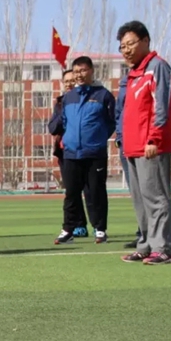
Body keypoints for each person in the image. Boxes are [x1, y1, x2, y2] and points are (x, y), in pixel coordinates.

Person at [117, 21, 171, 265]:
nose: (126, 50)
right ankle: (145, 245)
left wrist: (154, 138)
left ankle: (163, 249)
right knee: (140, 200)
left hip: (150, 147)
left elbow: (162, 106)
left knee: (156, 198)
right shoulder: (133, 75)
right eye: (122, 46)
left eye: (130, 44)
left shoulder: (157, 68)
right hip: (132, 147)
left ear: (145, 41)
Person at [48, 56, 115, 245]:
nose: (79, 75)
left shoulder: (103, 95)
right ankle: (68, 229)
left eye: (83, 70)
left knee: (96, 192)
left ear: (92, 71)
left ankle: (100, 229)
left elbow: (113, 121)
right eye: (76, 71)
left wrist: (98, 137)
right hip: (71, 153)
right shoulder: (68, 98)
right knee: (71, 193)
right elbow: (63, 122)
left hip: (95, 153)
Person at [50, 69, 90, 238]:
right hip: (66, 152)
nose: (69, 84)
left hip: (86, 151)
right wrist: (64, 112)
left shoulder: (88, 100)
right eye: (66, 81)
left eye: (72, 81)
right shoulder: (60, 103)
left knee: (91, 190)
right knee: (72, 191)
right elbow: (53, 127)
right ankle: (78, 224)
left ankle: (99, 226)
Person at [116, 68, 141, 249]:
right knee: (136, 192)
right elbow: (119, 113)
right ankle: (144, 234)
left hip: (146, 144)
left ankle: (159, 241)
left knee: (151, 193)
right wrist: (119, 137)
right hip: (126, 143)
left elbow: (167, 109)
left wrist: (155, 139)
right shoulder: (125, 83)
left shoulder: (156, 72)